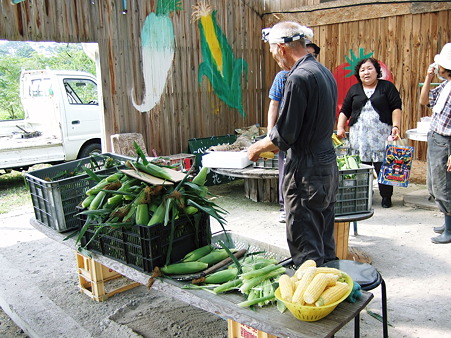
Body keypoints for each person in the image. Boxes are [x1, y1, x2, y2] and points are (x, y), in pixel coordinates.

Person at [249, 22, 338, 267]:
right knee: (323, 238)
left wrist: (255, 148)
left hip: (306, 171)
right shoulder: (323, 72)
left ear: (281, 48)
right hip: (327, 165)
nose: (275, 58)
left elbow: (284, 136)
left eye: (273, 53)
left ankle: (313, 298)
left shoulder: (297, 78)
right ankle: (333, 292)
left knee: (305, 240)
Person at [265, 38, 321, 223]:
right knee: (285, 169)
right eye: (308, 52)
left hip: (309, 136)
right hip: (286, 132)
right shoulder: (283, 77)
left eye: (313, 54)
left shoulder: (316, 75)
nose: (309, 57)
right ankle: (285, 206)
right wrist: (270, 132)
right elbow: (274, 104)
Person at [336, 58, 402, 208]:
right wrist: (340, 127)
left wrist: (396, 126)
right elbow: (345, 110)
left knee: (383, 166)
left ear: (377, 71)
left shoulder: (387, 87)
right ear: (358, 74)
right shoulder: (354, 90)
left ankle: (386, 196)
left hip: (381, 135)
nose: (366, 72)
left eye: (369, 68)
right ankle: (364, 195)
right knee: (361, 166)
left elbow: (396, 107)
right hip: (359, 137)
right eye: (362, 70)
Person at [419, 42, 451, 244]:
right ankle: (447, 222)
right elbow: (425, 101)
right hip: (436, 138)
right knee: (434, 184)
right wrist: (428, 77)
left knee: (444, 186)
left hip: (447, 142)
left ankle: (449, 228)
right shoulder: (446, 85)